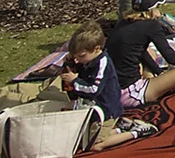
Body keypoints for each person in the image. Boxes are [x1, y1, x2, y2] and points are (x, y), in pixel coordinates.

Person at [61, 21, 157, 151]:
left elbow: (94, 89)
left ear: (96, 49)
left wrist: (74, 81)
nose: (78, 60)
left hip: (106, 110)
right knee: (83, 138)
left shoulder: (102, 64)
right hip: (94, 108)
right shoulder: (89, 60)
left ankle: (137, 132)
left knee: (95, 145)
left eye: (81, 56)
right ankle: (121, 128)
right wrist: (72, 65)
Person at [107, 0, 175, 109]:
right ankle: (160, 88)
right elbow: (170, 57)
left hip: (112, 90)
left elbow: (141, 53)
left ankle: (153, 80)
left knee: (149, 51)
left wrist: (158, 72)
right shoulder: (151, 25)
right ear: (152, 10)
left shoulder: (123, 23)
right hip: (130, 94)